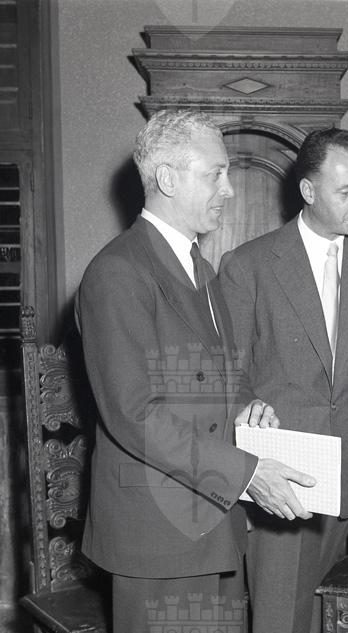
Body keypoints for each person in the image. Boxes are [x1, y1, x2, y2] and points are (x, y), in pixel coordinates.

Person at [76, 109, 315, 633]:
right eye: (215, 174)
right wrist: (246, 472)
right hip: (158, 532)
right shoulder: (117, 272)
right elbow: (134, 414)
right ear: (167, 178)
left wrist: (247, 405)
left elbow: (227, 372)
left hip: (213, 520)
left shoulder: (200, 266)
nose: (228, 189)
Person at [219, 127, 348, 633]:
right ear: (308, 191)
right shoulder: (248, 265)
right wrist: (246, 406)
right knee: (280, 620)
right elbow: (226, 371)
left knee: (323, 618)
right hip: (280, 478)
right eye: (346, 191)